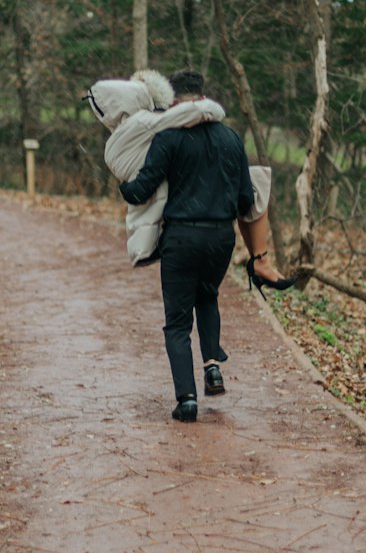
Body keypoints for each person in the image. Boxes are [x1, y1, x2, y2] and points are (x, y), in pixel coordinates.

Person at [116, 69, 257, 423]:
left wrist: (122, 184)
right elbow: (245, 199)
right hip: (221, 239)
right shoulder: (231, 139)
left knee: (177, 322)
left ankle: (187, 400)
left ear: (174, 102)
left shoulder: (169, 139)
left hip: (182, 237)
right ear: (203, 95)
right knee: (207, 296)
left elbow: (140, 190)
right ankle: (212, 367)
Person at [86, 68, 293, 291]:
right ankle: (261, 260)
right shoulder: (155, 124)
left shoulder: (151, 132)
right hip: (205, 223)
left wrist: (127, 189)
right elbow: (244, 199)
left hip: (176, 217)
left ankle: (260, 261)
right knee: (255, 183)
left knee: (179, 315)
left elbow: (140, 188)